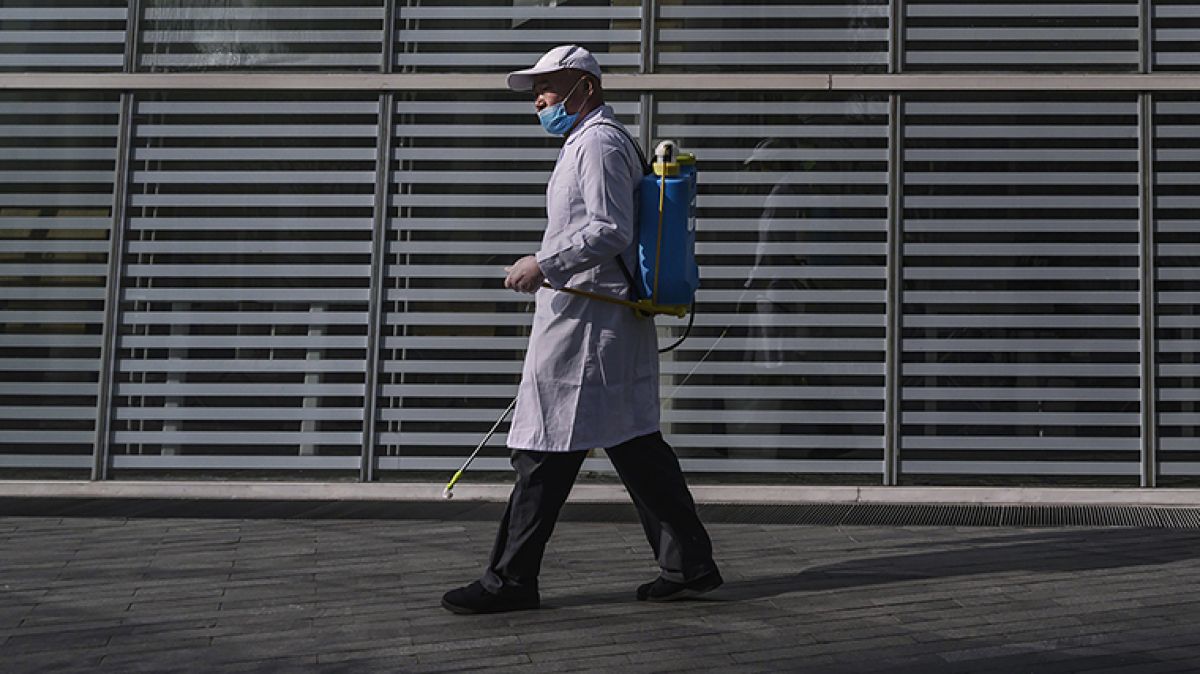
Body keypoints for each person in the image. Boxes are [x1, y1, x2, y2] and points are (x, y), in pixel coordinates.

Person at [441, 45, 721, 615]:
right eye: (536, 91)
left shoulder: (597, 143)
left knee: (542, 449)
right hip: (598, 321)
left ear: (585, 88)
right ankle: (689, 565)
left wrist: (542, 264)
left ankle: (510, 580)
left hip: (589, 324)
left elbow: (610, 228)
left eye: (547, 87)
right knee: (635, 445)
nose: (539, 100)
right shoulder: (590, 141)